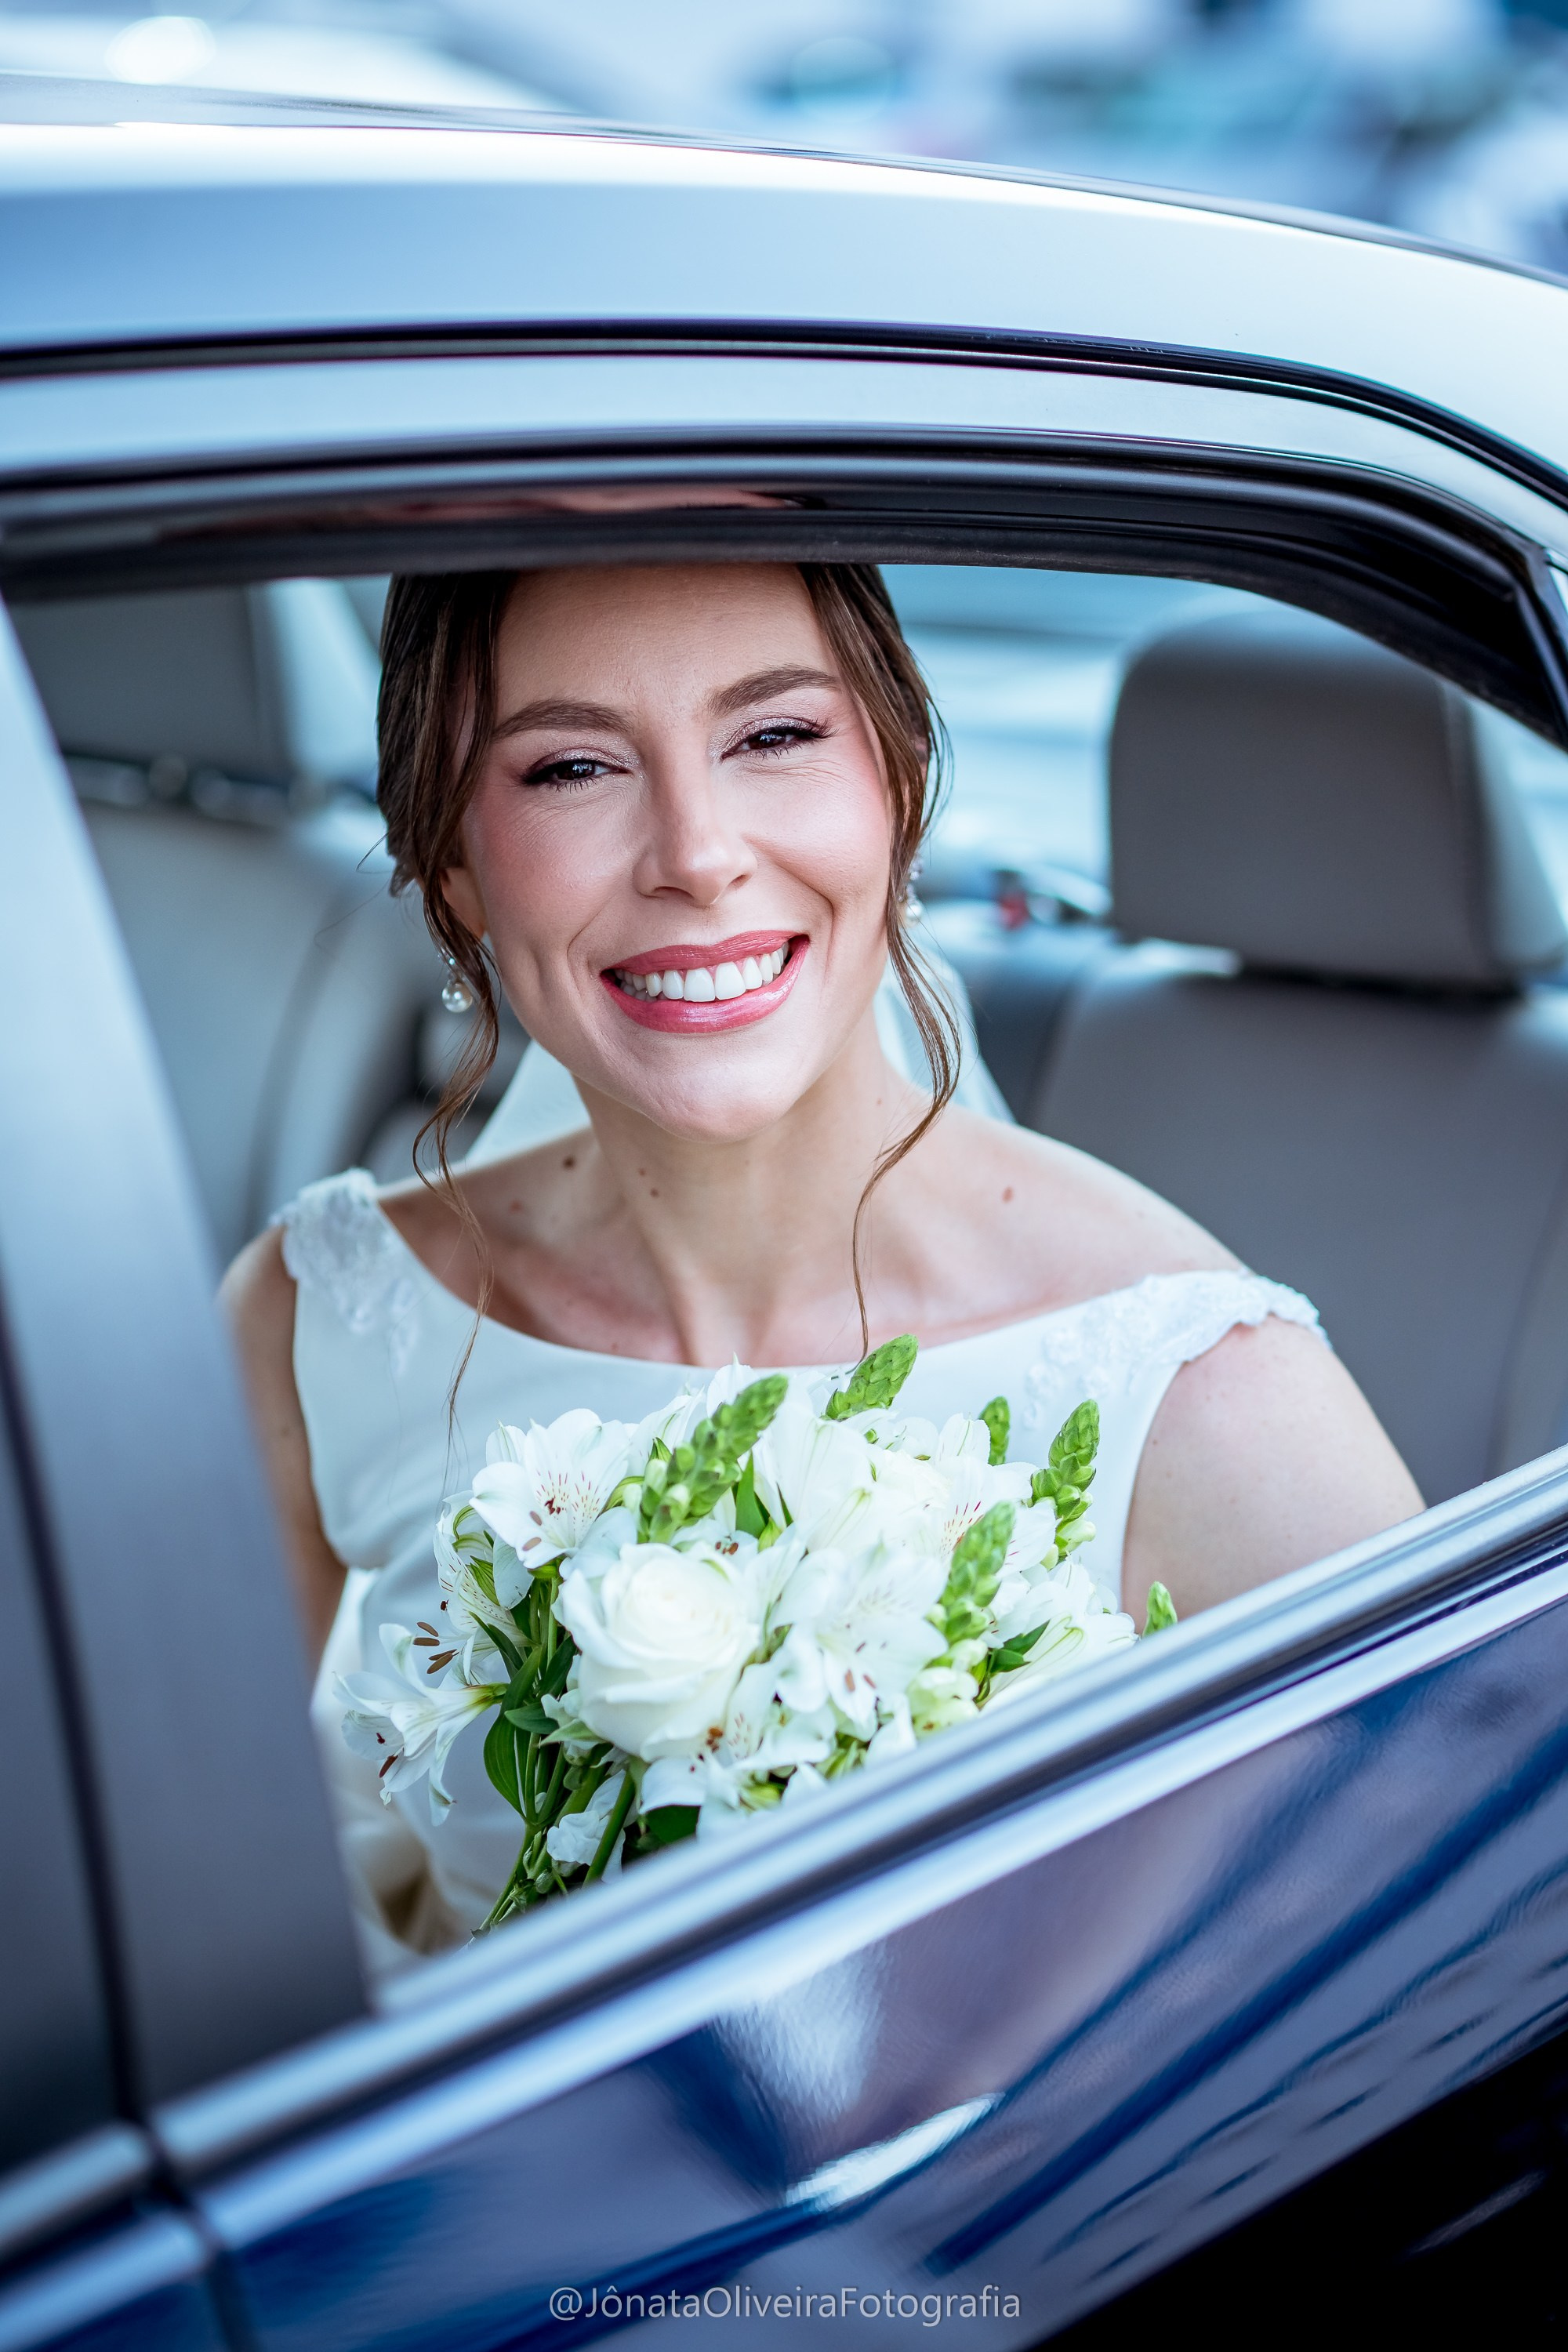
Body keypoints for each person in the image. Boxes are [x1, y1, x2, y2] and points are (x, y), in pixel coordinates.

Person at [223, 559, 1421, 1940]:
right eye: (571, 768)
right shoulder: (317, 1320)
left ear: (898, 785)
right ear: (452, 863)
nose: (696, 854)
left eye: (776, 735)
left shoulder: (1205, 1398)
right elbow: (174, 1896)